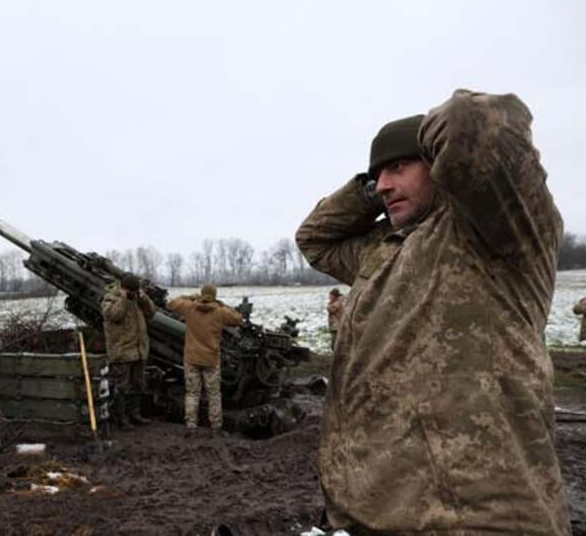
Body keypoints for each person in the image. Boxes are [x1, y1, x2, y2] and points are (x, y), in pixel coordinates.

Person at [295, 90, 571, 534]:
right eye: (377, 177)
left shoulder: (495, 235)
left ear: (441, 167)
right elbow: (314, 239)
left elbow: (474, 125)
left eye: (399, 167)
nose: (384, 185)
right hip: (374, 511)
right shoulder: (382, 250)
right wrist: (370, 191)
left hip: (479, 518)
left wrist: (434, 151)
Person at [168, 284, 242, 434]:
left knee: (192, 393)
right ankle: (215, 426)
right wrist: (222, 304)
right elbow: (238, 318)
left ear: (201, 294)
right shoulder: (220, 312)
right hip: (211, 359)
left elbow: (172, 303)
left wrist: (189, 297)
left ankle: (191, 425)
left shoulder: (189, 308)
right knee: (214, 394)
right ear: (214, 295)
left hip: (191, 358)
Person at [101, 273, 156, 430]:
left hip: (138, 350)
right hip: (122, 351)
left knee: (138, 385)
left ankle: (135, 414)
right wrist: (124, 299)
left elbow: (151, 312)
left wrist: (143, 297)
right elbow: (114, 315)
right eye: (131, 291)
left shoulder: (137, 299)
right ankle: (121, 419)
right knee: (122, 387)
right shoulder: (110, 298)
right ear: (124, 288)